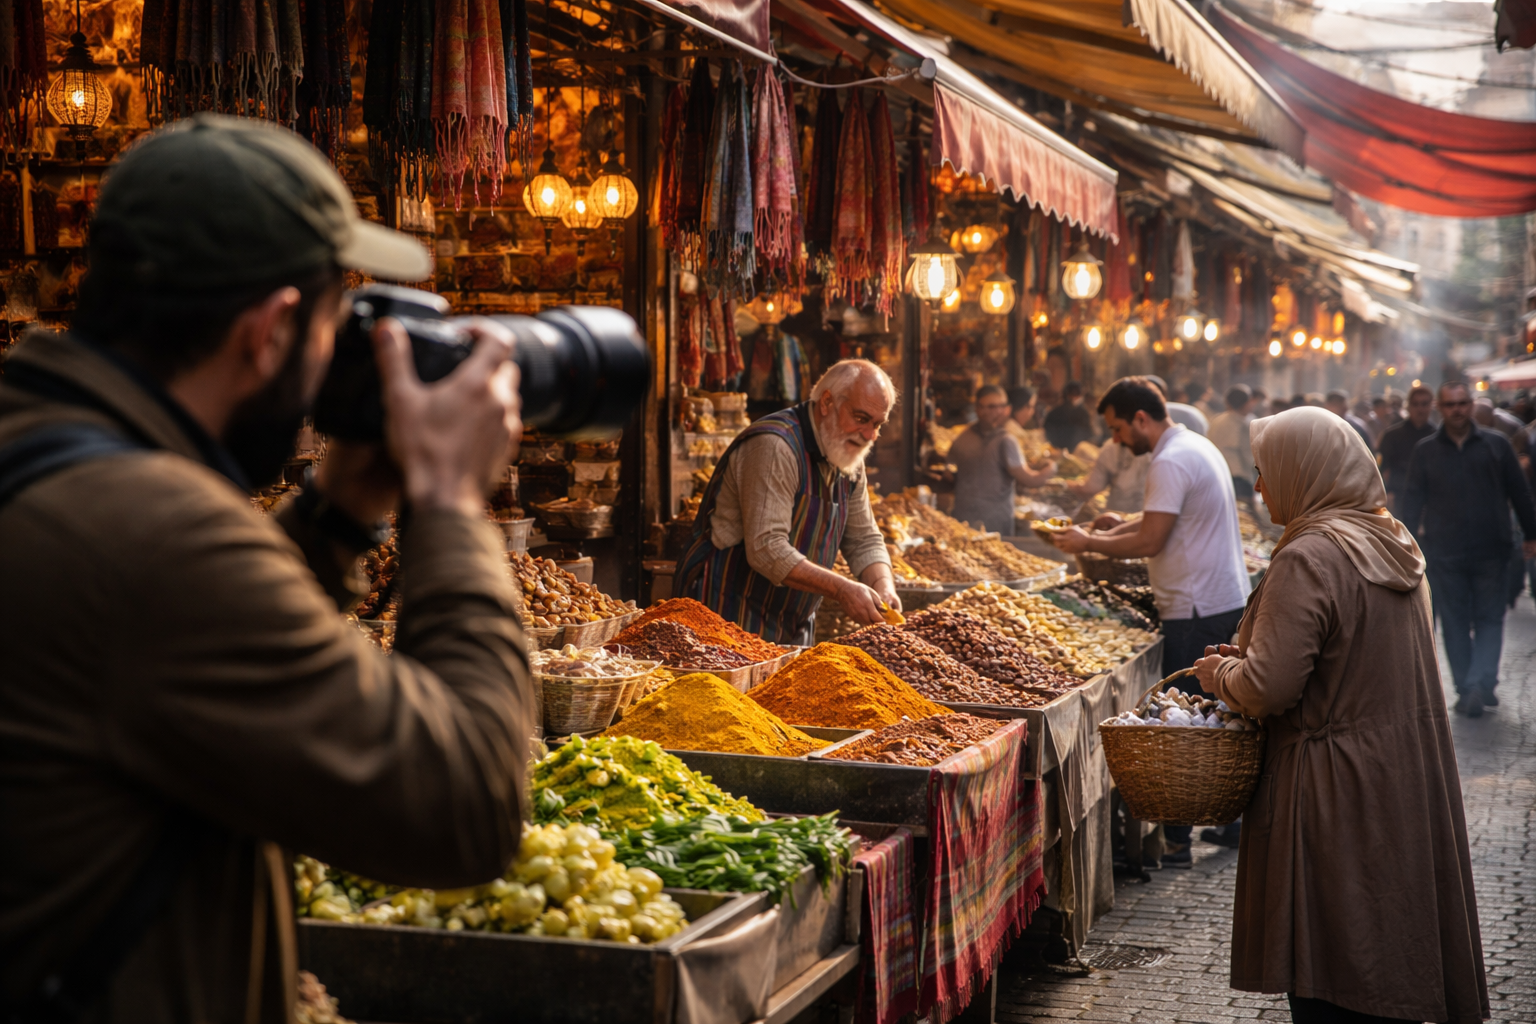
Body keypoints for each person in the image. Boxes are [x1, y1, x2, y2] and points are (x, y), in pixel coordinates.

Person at [0, 116, 534, 1020]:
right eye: (334, 326)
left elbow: (180, 651)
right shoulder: (147, 529)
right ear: (271, 330)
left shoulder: (47, 454)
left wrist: (340, 510)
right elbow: (467, 807)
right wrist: (448, 499)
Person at [1192, 407, 1488, 1024]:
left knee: (1332, 967)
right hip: (1401, 771)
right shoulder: (1394, 539)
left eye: (1267, 473)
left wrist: (1218, 674)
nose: (1261, 489)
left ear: (1306, 472)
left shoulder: (1309, 556)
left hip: (1330, 788)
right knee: (1385, 949)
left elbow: (1268, 688)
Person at [1051, 377, 1248, 867]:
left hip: (1195, 605)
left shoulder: (1169, 458)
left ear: (1141, 418)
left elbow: (1152, 540)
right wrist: (1121, 524)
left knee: (1188, 726)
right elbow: (1158, 521)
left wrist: (1089, 543)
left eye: (1118, 428)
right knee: (1221, 715)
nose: (1117, 440)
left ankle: (1178, 839)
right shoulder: (1192, 445)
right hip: (1217, 598)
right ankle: (1231, 820)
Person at [678, 359, 899, 644]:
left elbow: (864, 539)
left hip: (790, 618)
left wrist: (884, 587)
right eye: (860, 418)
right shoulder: (775, 445)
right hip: (727, 613)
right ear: (827, 402)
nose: (869, 435)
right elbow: (767, 548)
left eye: (877, 424)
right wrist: (842, 588)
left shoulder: (848, 455)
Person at [1398, 381, 1536, 717]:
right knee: (1456, 620)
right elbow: (1412, 500)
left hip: (1492, 548)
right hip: (1445, 551)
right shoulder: (1426, 451)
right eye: (1450, 405)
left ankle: (1480, 681)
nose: (1457, 410)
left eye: (1462, 404)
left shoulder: (1496, 445)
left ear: (1471, 405)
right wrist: (1402, 544)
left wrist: (1531, 534)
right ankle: (1468, 685)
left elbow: (1519, 492)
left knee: (1490, 617)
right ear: (1440, 409)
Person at [949, 385, 1056, 534]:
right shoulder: (1004, 441)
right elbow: (1030, 480)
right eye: (988, 407)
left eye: (998, 407)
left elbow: (948, 472)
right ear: (977, 409)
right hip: (992, 524)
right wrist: (1051, 468)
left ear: (1007, 409)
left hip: (969, 520)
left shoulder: (965, 436)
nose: (993, 412)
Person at [1377, 385, 1435, 509]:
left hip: (1432, 499)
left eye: (1424, 404)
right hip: (1399, 498)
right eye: (1415, 404)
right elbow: (1382, 469)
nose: (1420, 409)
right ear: (1408, 406)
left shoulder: (1439, 436)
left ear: (1431, 405)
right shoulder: (1392, 436)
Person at [1208, 384, 1256, 499]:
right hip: (1239, 478)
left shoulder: (1217, 420)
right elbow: (1249, 456)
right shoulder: (1245, 424)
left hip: (1218, 474)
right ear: (1246, 403)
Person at [1043, 380, 1094, 451]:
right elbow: (1047, 434)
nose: (1074, 398)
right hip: (1056, 452)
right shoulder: (1054, 414)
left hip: (1078, 453)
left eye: (1077, 394)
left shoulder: (1083, 414)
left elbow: (1088, 434)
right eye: (1071, 394)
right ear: (1066, 395)